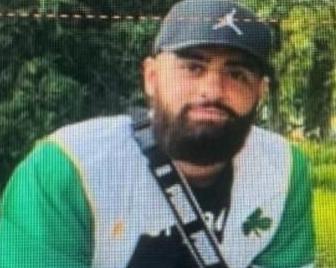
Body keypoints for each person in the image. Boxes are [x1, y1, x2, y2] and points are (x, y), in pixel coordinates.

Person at [0, 0, 315, 267]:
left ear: (259, 92)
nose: (213, 90)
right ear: (151, 77)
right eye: (193, 68)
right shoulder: (69, 167)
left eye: (236, 74)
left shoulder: (281, 170)